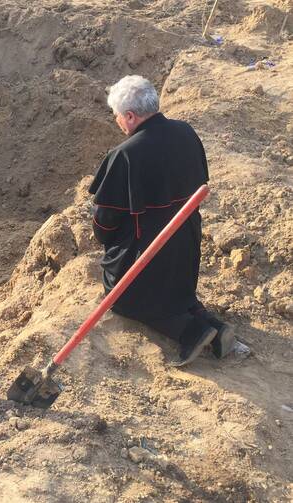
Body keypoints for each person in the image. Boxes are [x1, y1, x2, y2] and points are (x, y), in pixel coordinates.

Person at [89, 75, 234, 366]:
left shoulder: (125, 155)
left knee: (121, 297)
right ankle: (213, 327)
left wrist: (109, 244)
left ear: (130, 116)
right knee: (179, 295)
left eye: (118, 116)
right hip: (188, 247)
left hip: (148, 255)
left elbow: (105, 223)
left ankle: (191, 332)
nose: (118, 122)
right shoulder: (187, 132)